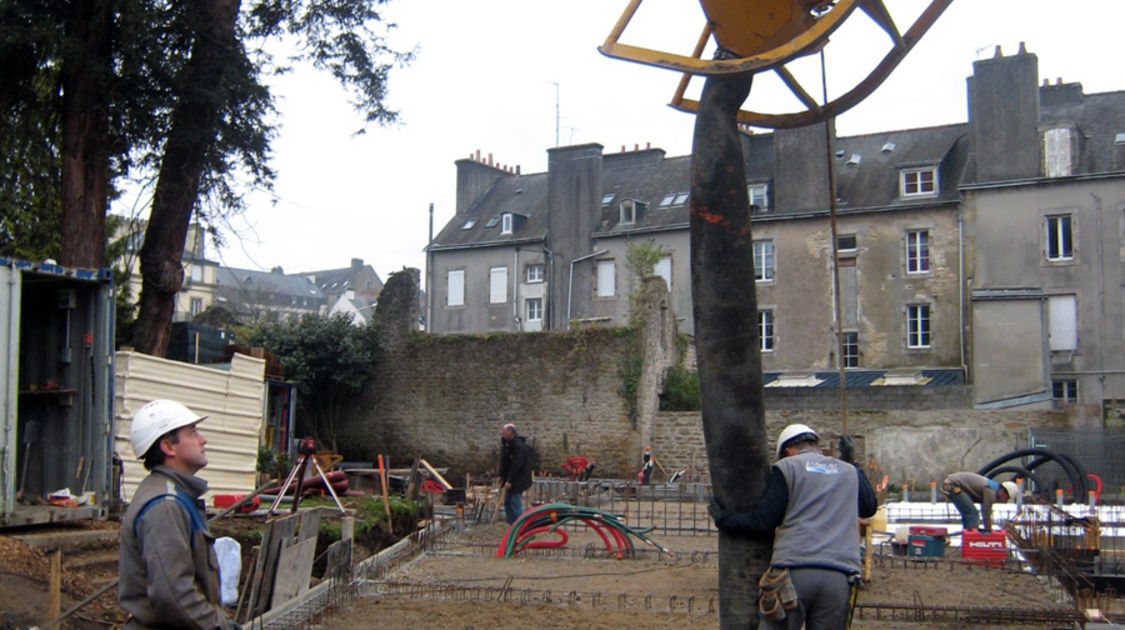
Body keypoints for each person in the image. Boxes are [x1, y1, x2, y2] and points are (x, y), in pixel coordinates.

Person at [709, 423, 877, 630]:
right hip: (839, 577)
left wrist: (723, 518)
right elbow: (869, 507)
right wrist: (852, 462)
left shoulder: (788, 468)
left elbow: (763, 522)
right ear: (816, 445)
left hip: (795, 573)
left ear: (788, 451)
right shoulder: (848, 471)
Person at [119, 399, 241, 630]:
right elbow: (174, 596)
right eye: (193, 432)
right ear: (168, 446)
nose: (203, 439)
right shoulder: (164, 506)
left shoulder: (176, 497)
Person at [941, 472, 1017, 532]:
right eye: (1006, 498)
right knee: (972, 514)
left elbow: (987, 510)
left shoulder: (992, 488)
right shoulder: (991, 492)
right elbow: (986, 510)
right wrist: (989, 531)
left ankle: (967, 539)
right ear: (1003, 492)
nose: (1005, 501)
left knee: (968, 515)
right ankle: (972, 542)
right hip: (954, 485)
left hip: (951, 484)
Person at [496, 423, 533, 524]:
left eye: (504, 432)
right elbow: (504, 462)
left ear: (510, 433)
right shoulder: (506, 445)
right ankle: (512, 525)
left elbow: (517, 465)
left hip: (519, 479)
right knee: (507, 502)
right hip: (510, 478)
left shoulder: (519, 447)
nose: (502, 434)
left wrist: (509, 480)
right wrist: (501, 475)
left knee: (514, 502)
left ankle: (521, 525)